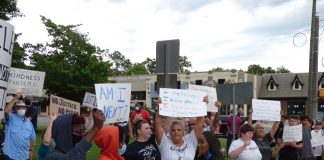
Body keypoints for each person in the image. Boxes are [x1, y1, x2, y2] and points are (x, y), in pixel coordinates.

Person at [3, 92, 36, 160]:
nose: (22, 109)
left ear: (26, 109)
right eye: (19, 107)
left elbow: (32, 138)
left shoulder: (29, 123)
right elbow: (6, 111)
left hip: (24, 156)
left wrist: (30, 150)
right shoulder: (11, 118)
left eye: (23, 107)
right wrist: (15, 98)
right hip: (11, 156)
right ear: (15, 109)